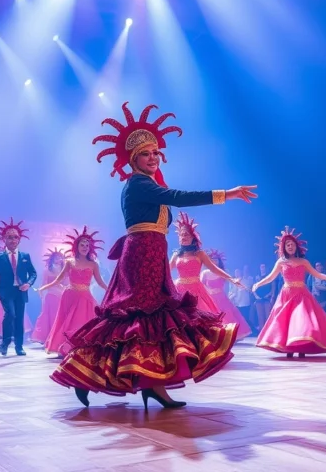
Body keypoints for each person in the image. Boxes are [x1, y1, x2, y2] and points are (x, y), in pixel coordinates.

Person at [51, 102, 257, 408]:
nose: (153, 158)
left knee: (151, 317)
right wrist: (226, 194)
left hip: (152, 253)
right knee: (141, 315)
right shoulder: (137, 183)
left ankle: (153, 384)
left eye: (156, 153)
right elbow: (177, 197)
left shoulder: (147, 184)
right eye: (146, 153)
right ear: (134, 159)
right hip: (141, 255)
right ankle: (87, 375)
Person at [253, 227, 326, 358]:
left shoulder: (304, 262)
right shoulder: (281, 262)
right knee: (287, 321)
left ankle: (302, 347)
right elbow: (270, 277)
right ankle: (289, 348)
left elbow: (318, 274)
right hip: (286, 295)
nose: (290, 246)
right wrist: (258, 284)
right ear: (284, 247)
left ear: (296, 247)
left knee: (301, 320)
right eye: (287, 245)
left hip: (301, 294)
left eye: (292, 244)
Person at [168, 213, 249, 338]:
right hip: (179, 290)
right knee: (180, 320)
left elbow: (214, 269)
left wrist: (231, 279)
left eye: (186, 234)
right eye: (181, 235)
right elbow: (166, 271)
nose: (183, 237)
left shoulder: (200, 254)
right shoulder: (176, 255)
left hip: (196, 290)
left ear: (193, 237)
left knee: (198, 320)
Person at [38, 227, 108, 358]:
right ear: (77, 246)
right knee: (67, 322)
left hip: (85, 297)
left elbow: (100, 282)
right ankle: (64, 347)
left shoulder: (93, 264)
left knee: (82, 322)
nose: (85, 247)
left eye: (87, 245)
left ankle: (81, 349)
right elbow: (58, 280)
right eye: (82, 245)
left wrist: (111, 290)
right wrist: (43, 288)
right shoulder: (69, 262)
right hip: (70, 295)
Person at [0, 219, 38, 356]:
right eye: (9, 237)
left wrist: (28, 283)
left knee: (19, 318)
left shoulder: (25, 256)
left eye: (15, 237)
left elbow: (33, 273)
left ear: (19, 239)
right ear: (4, 239)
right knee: (10, 314)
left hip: (20, 291)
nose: (13, 240)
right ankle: (5, 342)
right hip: (5, 291)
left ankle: (19, 346)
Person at [202, 249, 252, 340]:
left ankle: (230, 336)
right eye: (212, 259)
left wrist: (237, 282)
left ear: (219, 261)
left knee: (227, 315)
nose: (214, 261)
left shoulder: (222, 271)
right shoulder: (205, 273)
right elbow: (201, 284)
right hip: (211, 298)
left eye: (216, 259)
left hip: (221, 297)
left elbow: (231, 280)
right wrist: (209, 290)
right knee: (213, 316)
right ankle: (216, 336)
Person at [31, 248, 66, 345]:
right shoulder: (47, 270)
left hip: (62, 294)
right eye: (56, 257)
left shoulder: (64, 269)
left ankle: (57, 337)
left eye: (60, 257)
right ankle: (47, 337)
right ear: (52, 259)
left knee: (59, 316)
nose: (58, 259)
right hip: (51, 294)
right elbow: (43, 283)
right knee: (50, 316)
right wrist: (41, 293)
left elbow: (66, 283)